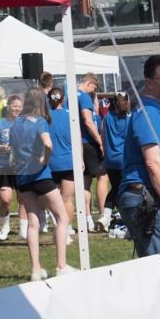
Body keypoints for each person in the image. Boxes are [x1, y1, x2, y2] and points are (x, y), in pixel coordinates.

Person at [9, 88, 71, 280]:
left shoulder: (15, 123)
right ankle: (61, 265)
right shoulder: (41, 121)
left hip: (22, 177)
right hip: (40, 175)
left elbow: (12, 147)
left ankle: (36, 269)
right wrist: (45, 160)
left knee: (33, 223)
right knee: (62, 218)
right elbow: (48, 144)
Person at [118, 55, 160, 257]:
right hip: (145, 197)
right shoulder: (149, 111)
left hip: (145, 196)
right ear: (149, 83)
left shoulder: (155, 110)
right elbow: (153, 162)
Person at [0, 94, 27, 241]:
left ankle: (23, 229)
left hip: (21, 166)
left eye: (19, 106)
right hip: (3, 166)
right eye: (14, 106)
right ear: (8, 106)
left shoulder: (24, 123)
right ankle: (5, 226)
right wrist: (1, 147)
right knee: (5, 199)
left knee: (23, 198)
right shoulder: (0, 124)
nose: (17, 109)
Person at [46, 87, 77, 244]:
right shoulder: (70, 115)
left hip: (50, 163)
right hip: (68, 162)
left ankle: (60, 229)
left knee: (53, 201)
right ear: (63, 100)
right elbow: (77, 140)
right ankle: (65, 231)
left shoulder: (45, 117)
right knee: (67, 199)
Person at [98, 92, 131, 231]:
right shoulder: (129, 118)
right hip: (125, 158)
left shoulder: (106, 118)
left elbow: (103, 137)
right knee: (124, 189)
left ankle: (106, 216)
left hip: (111, 159)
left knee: (116, 187)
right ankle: (122, 216)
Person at [77, 73, 105, 230]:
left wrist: (94, 97)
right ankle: (103, 214)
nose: (95, 90)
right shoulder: (83, 97)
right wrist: (100, 141)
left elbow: (94, 112)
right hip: (89, 142)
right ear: (89, 83)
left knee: (86, 181)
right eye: (95, 87)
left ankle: (87, 218)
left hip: (82, 143)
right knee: (103, 177)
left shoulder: (75, 95)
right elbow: (88, 120)